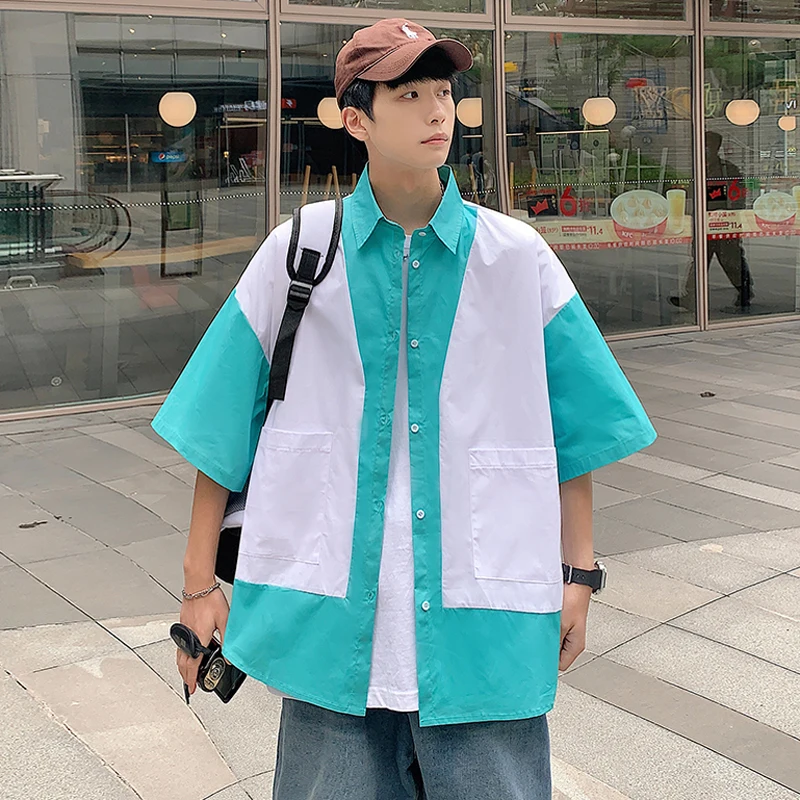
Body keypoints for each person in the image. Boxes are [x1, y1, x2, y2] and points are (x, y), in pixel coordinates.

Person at [152, 18, 656, 800]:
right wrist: (197, 586)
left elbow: (573, 432)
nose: (436, 111)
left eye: (443, 92)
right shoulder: (298, 253)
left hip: (484, 627)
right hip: (329, 633)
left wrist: (577, 575)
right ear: (355, 119)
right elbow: (219, 429)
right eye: (409, 94)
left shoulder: (516, 258)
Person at [670, 130, 754, 310]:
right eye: (703, 145)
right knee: (699, 259)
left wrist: (730, 216)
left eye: (708, 145)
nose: (704, 149)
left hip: (724, 224)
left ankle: (745, 291)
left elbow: (738, 196)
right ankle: (690, 297)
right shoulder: (698, 168)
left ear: (716, 148)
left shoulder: (728, 169)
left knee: (731, 260)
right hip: (702, 223)